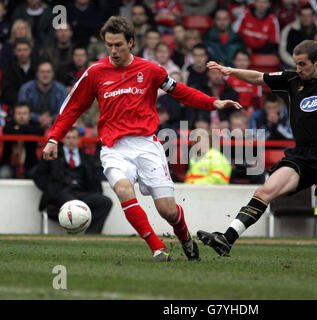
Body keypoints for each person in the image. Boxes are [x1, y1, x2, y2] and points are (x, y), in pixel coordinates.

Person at [42, 16, 241, 262]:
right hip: (113, 147)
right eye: (109, 45)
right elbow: (72, 107)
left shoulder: (151, 70)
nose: (113, 51)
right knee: (124, 189)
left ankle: (185, 238)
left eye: (118, 45)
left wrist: (213, 102)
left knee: (167, 210)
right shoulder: (95, 72)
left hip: (147, 144)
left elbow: (180, 91)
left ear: (131, 42)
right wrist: (54, 138)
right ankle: (157, 248)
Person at [197, 37, 317, 266]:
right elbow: (257, 77)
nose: (298, 68)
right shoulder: (291, 79)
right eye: (296, 63)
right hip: (301, 156)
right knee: (265, 191)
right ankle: (227, 238)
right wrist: (229, 70)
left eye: (302, 64)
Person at [34, 127, 112, 234]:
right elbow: (39, 176)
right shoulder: (52, 155)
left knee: (105, 202)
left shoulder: (87, 157)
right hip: (59, 194)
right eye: (68, 137)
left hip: (82, 193)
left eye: (74, 137)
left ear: (79, 139)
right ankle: (73, 232)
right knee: (72, 203)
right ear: (63, 139)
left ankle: (91, 236)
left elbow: (94, 180)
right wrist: (51, 190)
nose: (71, 140)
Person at [280, 4, 317, 68]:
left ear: (313, 16)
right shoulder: (289, 30)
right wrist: (299, 64)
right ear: (299, 16)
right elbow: (283, 52)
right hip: (294, 65)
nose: (306, 18)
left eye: (308, 15)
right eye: (303, 15)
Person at [18, 60, 68, 129]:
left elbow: (64, 111)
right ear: (37, 74)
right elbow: (21, 111)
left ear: (53, 74)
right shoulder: (26, 89)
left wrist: (50, 119)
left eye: (48, 72)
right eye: (42, 72)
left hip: (55, 126)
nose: (45, 75)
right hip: (29, 126)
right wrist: (38, 118)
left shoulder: (61, 90)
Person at [0, 102, 44, 179]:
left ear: (29, 115)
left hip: (30, 164)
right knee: (4, 174)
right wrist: (27, 130)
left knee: (38, 175)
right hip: (9, 163)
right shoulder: (8, 125)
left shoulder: (35, 125)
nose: (21, 116)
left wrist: (19, 128)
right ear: (14, 115)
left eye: (24, 113)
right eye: (19, 113)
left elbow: (40, 131)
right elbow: (6, 130)